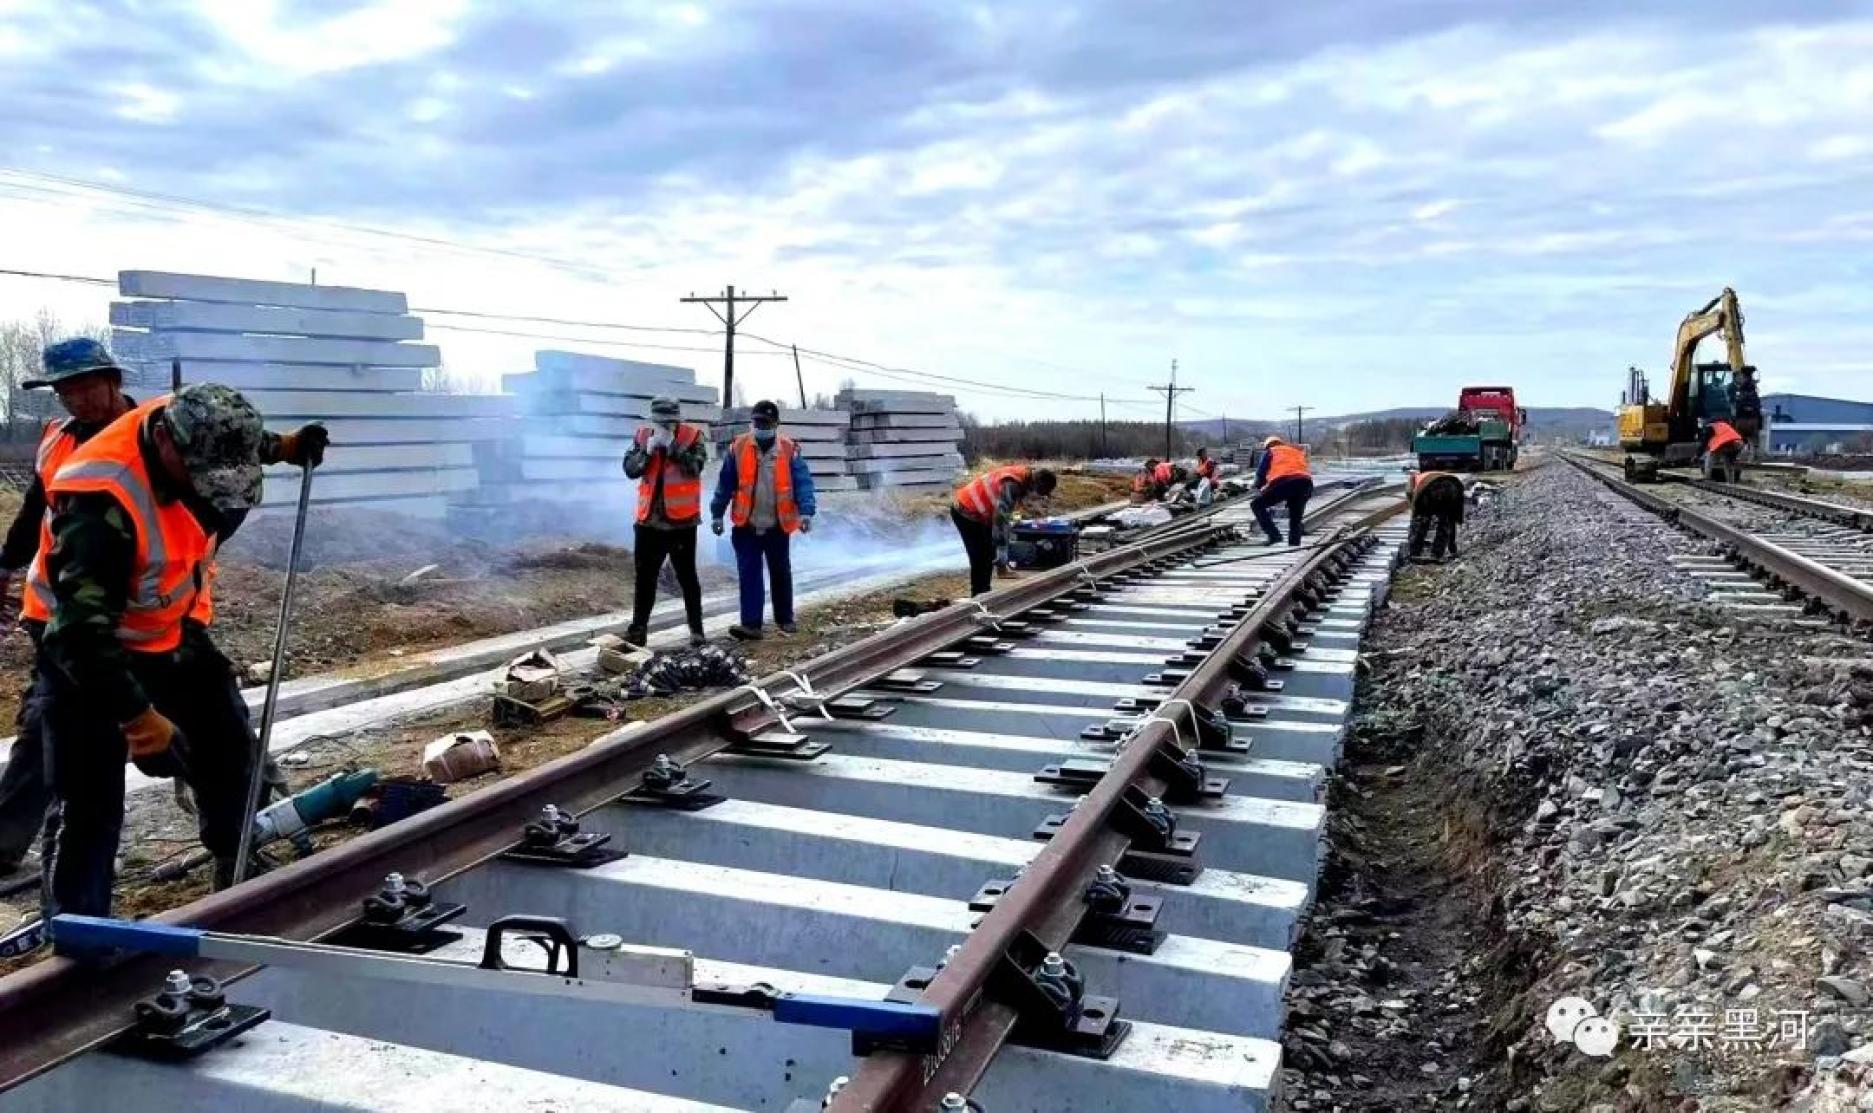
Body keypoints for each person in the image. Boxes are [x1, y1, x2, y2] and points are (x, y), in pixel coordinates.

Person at [25, 383, 328, 917]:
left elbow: (238, 441)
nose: (211, 490)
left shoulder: (195, 424)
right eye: (202, 476)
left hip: (163, 628)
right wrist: (140, 720)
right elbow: (80, 635)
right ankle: (77, 932)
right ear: (167, 443)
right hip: (78, 650)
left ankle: (237, 870)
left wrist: (283, 445)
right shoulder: (100, 503)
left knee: (230, 749)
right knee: (88, 796)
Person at [0, 339, 135, 882]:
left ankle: (245, 824)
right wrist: (6, 565)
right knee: (45, 725)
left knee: (183, 720)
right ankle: (5, 845)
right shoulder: (57, 439)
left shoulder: (155, 433)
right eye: (65, 390)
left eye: (85, 385)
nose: (76, 399)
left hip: (140, 616)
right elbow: (38, 508)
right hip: (59, 616)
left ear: (113, 380)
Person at [710, 400, 817, 641]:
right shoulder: (738, 447)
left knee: (780, 572)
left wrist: (806, 512)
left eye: (765, 423)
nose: (760, 426)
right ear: (752, 422)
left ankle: (785, 618)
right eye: (757, 422)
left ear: (776, 424)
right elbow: (725, 483)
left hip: (778, 525)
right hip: (746, 525)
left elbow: (803, 483)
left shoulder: (790, 450)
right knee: (750, 574)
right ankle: (751, 625)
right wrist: (717, 513)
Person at [623, 395, 710, 648]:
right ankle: (638, 630)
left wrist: (673, 447)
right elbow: (630, 469)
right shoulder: (642, 436)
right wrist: (646, 452)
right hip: (649, 521)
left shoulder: (692, 437)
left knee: (687, 577)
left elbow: (696, 467)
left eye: (670, 422)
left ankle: (697, 630)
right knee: (645, 578)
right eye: (662, 422)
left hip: (682, 523)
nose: (665, 426)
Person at [952, 464, 1058, 596]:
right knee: (980, 557)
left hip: (980, 513)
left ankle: (985, 593)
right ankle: (979, 596)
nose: (1039, 497)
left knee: (988, 553)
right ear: (1036, 484)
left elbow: (1005, 514)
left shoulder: (1024, 477)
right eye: (1041, 493)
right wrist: (1002, 548)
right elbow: (1001, 517)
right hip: (966, 511)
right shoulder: (1012, 484)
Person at [1250, 435, 1313, 546]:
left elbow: (1260, 474)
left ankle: (1274, 535)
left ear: (1268, 446)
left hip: (1284, 482)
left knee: (1256, 505)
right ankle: (1294, 546)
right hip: (1305, 483)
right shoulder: (1296, 452)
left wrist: (1258, 489)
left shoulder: (1271, 452)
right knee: (1295, 518)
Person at [1407, 469, 1466, 561]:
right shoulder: (1419, 485)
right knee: (1445, 520)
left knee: (1424, 521)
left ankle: (1417, 552)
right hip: (1453, 486)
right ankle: (1436, 552)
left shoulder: (1416, 486)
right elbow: (1453, 519)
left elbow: (1416, 514)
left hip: (1439, 488)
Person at [1703, 419, 1745, 483]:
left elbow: (1704, 442)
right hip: (1738, 444)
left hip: (1724, 444)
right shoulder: (1725, 425)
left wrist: (1697, 455)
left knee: (1709, 459)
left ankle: (1707, 478)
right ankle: (1731, 482)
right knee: (1729, 464)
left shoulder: (1711, 427)